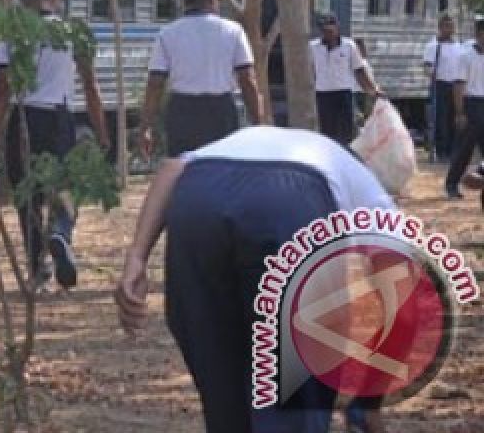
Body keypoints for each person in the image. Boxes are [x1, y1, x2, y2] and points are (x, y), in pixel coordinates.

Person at [115, 126, 395, 433]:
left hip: (199, 198)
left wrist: (136, 259)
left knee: (223, 387)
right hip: (290, 201)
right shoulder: (367, 187)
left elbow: (173, 169)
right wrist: (368, 404)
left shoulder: (247, 139)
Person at [0, 0, 110, 290]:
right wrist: (102, 131)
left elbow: (2, 88)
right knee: (64, 187)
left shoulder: (12, 36)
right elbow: (91, 85)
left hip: (24, 118)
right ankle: (61, 233)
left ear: (22, 0)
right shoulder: (70, 33)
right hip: (59, 119)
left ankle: (39, 267)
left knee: (27, 195)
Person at [138, 0, 263, 159]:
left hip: (182, 111)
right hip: (221, 110)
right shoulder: (233, 31)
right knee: (221, 167)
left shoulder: (168, 33)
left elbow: (155, 83)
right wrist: (259, 122)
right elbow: (247, 79)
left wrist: (146, 126)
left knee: (183, 168)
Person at [310, 14, 382, 145]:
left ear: (337, 28)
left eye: (330, 30)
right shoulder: (313, 47)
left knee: (347, 132)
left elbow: (359, 71)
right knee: (327, 134)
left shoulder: (349, 46)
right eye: (324, 31)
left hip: (343, 94)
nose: (327, 34)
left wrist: (373, 90)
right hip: (323, 95)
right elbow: (310, 71)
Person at [446, 18, 484, 200]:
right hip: (471, 103)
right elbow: (459, 85)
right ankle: (452, 184)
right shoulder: (466, 56)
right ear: (478, 34)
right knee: (464, 148)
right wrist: (460, 112)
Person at [423, 15, 460, 162]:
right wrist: (431, 73)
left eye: (451, 26)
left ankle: (452, 150)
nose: (449, 29)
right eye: (446, 26)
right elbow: (427, 67)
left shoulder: (458, 45)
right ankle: (441, 150)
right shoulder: (433, 45)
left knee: (454, 118)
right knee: (441, 119)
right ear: (440, 27)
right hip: (440, 85)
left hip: (456, 85)